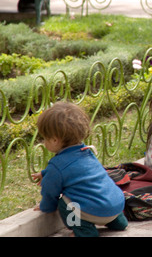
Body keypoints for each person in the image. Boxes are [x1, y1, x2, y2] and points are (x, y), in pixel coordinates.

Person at [32, 101, 128, 237]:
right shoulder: (86, 151)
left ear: (54, 140)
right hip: (117, 205)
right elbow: (77, 171)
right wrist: (46, 173)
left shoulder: (57, 165)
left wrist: (46, 207)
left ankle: (84, 231)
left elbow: (50, 191)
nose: (44, 142)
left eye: (45, 138)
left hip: (95, 212)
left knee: (64, 203)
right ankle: (119, 223)